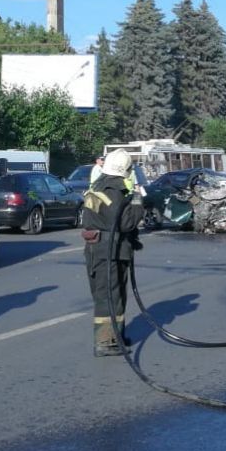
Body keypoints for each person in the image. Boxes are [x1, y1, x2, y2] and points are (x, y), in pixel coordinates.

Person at [81, 149, 145, 357]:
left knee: (113, 295)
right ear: (125, 170)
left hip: (101, 250)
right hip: (110, 250)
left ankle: (115, 336)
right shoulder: (114, 191)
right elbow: (126, 222)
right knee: (109, 296)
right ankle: (105, 342)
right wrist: (137, 200)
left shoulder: (98, 185)